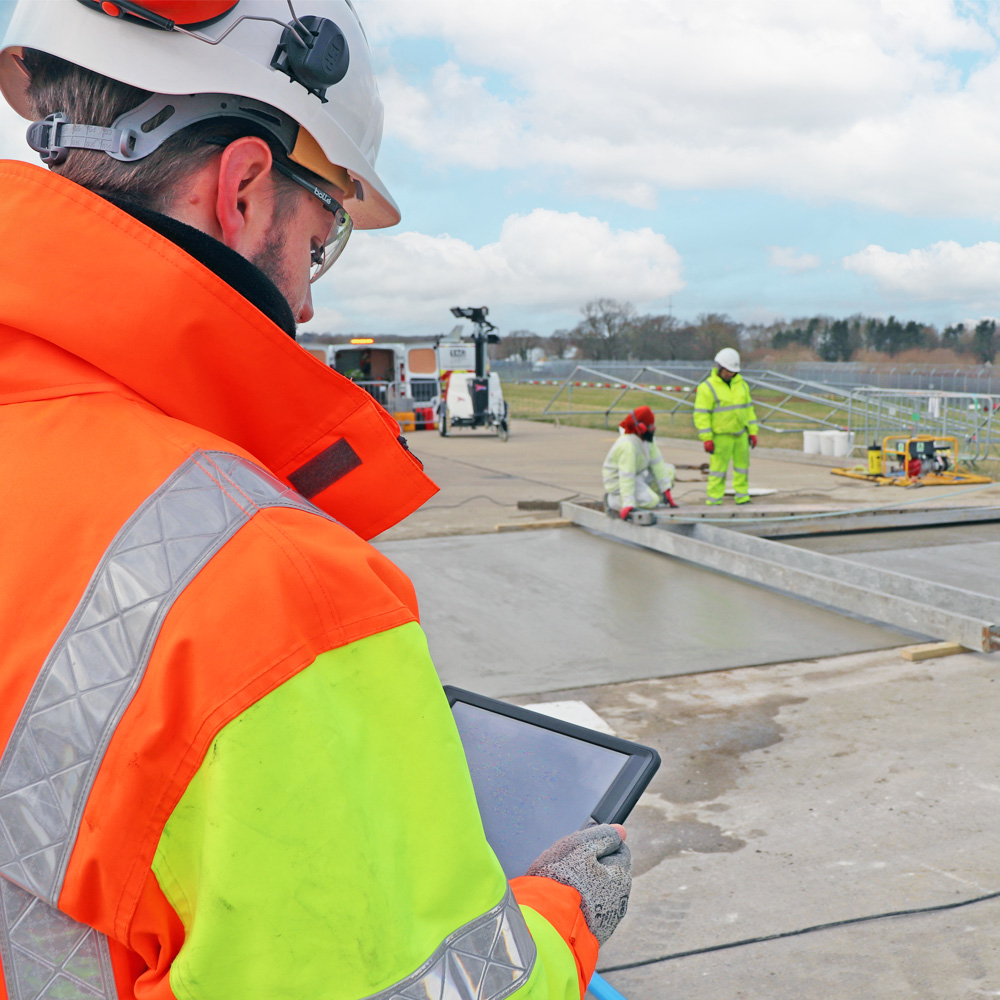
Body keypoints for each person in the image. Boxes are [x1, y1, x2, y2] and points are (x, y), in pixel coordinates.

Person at [0, 3, 631, 999]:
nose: (308, 301)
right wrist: (560, 918)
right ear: (245, 187)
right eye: (323, 233)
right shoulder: (261, 585)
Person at [694, 347, 759, 505]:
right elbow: (701, 415)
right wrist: (707, 438)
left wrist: (753, 432)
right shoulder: (707, 388)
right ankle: (714, 499)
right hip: (721, 435)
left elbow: (748, 410)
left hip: (741, 435)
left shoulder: (742, 385)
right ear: (720, 368)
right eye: (728, 370)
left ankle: (742, 497)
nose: (730, 374)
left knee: (742, 468)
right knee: (718, 470)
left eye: (733, 371)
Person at [603, 405, 678, 518]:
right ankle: (613, 500)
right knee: (651, 501)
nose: (654, 428)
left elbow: (657, 464)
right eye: (651, 425)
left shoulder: (647, 440)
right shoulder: (628, 445)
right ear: (641, 428)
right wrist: (628, 504)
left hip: (637, 476)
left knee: (670, 471)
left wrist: (666, 489)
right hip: (618, 482)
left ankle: (649, 498)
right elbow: (626, 476)